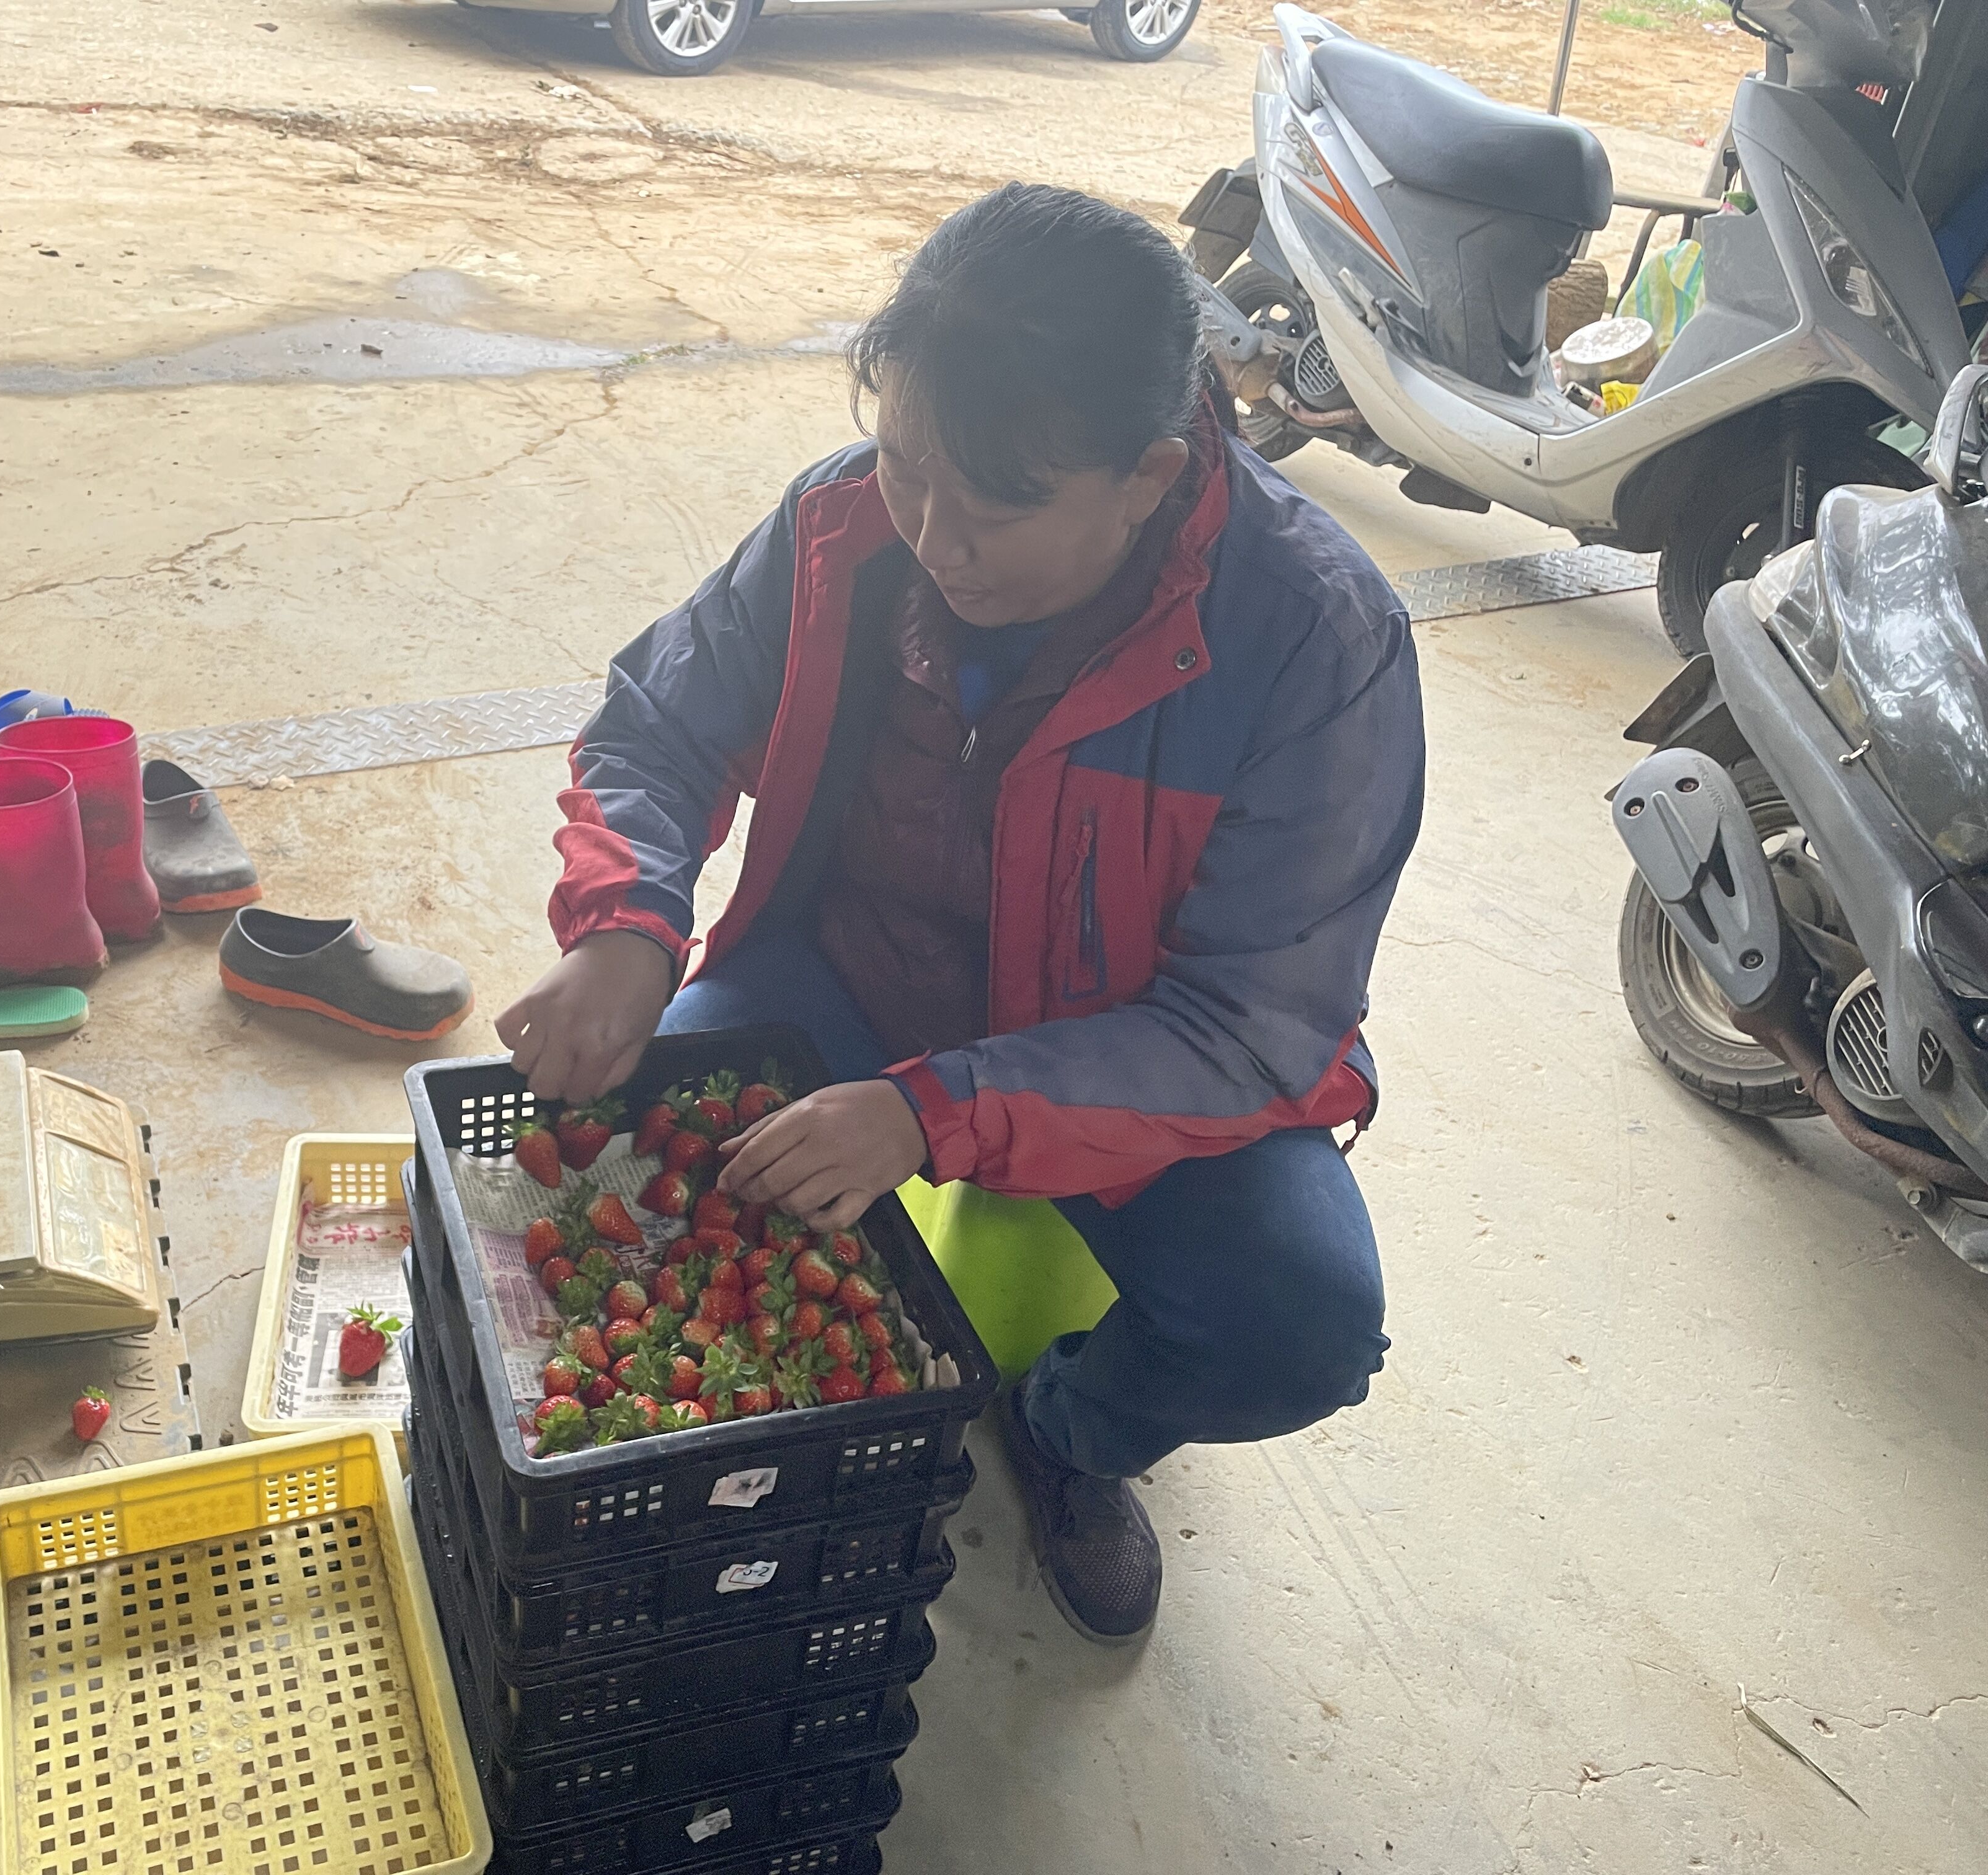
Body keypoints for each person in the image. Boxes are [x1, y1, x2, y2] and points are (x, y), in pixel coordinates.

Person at [496, 183, 1424, 1644]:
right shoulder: (839, 526)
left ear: (1149, 473)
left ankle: (1068, 1432)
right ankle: (745, 1457)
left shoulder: (1316, 640)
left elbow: (1248, 1029)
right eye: (908, 464)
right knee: (644, 1188)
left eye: (998, 505)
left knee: (1296, 1326)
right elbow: (658, 726)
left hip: (1134, 1052)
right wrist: (626, 920)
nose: (937, 535)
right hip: (855, 971)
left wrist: (936, 1113)